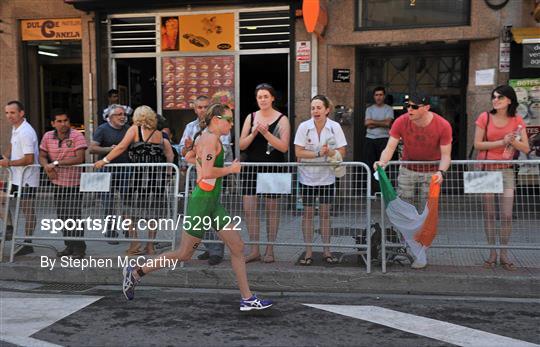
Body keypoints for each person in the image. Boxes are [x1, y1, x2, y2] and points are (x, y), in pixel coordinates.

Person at [119, 103, 273, 312]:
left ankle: (247, 298)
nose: (231, 124)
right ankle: (136, 272)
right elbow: (206, 173)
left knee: (237, 246)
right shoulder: (209, 139)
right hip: (202, 203)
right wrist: (231, 169)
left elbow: (190, 158)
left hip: (212, 203)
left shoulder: (206, 137)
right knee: (183, 254)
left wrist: (195, 153)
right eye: (229, 119)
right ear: (217, 120)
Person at [374, 92, 452, 269]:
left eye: (414, 107)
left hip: (431, 172)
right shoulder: (401, 121)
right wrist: (382, 162)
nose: (410, 109)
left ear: (426, 108)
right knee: (404, 210)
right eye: (407, 106)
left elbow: (447, 155)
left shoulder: (442, 125)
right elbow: (390, 147)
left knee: (427, 212)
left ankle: (421, 252)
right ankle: (409, 247)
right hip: (408, 170)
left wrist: (441, 172)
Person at [95, 105, 174, 255]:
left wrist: (104, 160)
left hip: (138, 178)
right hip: (156, 179)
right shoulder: (159, 134)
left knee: (128, 212)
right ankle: (150, 246)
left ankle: (135, 244)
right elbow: (170, 154)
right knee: (153, 213)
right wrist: (168, 173)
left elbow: (120, 148)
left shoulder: (135, 130)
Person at [473, 85, 529, 271]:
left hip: (506, 169)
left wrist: (513, 141)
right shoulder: (484, 117)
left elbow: (526, 148)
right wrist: (502, 142)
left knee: (506, 215)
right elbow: (477, 144)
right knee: (489, 214)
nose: (495, 100)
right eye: (494, 97)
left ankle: (504, 253)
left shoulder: (517, 120)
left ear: (509, 100)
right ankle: (492, 253)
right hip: (485, 168)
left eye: (500, 97)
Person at [239, 83, 290, 263]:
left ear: (273, 98)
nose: (263, 100)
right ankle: (254, 249)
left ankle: (270, 249)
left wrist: (266, 134)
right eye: (260, 97)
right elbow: (241, 145)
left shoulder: (282, 119)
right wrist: (254, 133)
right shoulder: (250, 117)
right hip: (252, 167)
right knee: (249, 209)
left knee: (272, 211)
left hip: (273, 167)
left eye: (266, 96)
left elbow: (284, 147)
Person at [294, 95, 347, 265]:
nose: (315, 111)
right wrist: (318, 153)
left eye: (318, 108)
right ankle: (308, 252)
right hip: (307, 178)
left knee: (325, 215)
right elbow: (298, 152)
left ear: (327, 110)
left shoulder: (335, 127)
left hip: (327, 178)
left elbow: (342, 151)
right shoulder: (304, 127)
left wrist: (330, 153)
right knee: (308, 215)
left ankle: (327, 251)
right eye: (312, 108)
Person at [178, 95, 230, 265]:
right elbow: (184, 152)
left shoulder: (219, 126)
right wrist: (188, 149)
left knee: (212, 213)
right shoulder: (190, 127)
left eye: (205, 107)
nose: (202, 110)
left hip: (214, 176)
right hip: (199, 176)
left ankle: (217, 249)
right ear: (195, 109)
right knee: (204, 215)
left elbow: (225, 149)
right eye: (199, 107)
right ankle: (209, 247)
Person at [39, 109, 88, 259]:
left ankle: (80, 247)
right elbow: (41, 155)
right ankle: (69, 245)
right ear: (53, 123)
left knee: (74, 216)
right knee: (62, 216)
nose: (63, 124)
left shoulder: (77, 136)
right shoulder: (48, 136)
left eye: (65, 120)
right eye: (59, 121)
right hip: (57, 183)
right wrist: (47, 168)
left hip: (74, 183)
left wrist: (55, 163)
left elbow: (80, 159)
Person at [0, 101, 39, 255]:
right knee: (1, 199)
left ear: (21, 113)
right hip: (15, 177)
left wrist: (8, 162)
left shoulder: (26, 132)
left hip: (27, 179)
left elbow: (29, 159)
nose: (9, 116)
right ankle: (9, 227)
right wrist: (4, 156)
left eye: (12, 113)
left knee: (27, 211)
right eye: (7, 113)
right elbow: (11, 144)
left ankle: (27, 243)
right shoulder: (16, 128)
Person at [90, 105, 130, 244]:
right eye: (119, 114)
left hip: (126, 169)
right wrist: (110, 149)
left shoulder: (128, 128)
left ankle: (128, 229)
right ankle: (110, 231)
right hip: (106, 170)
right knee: (108, 202)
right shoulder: (102, 129)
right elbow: (92, 148)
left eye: (123, 114)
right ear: (110, 117)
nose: (122, 116)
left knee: (127, 200)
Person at [364, 87, 394, 194]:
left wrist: (373, 123)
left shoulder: (388, 109)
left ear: (384, 96)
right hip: (370, 140)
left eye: (381, 95)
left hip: (384, 140)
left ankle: (384, 191)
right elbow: (367, 124)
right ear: (374, 96)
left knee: (384, 166)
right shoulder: (369, 109)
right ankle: (372, 190)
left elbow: (388, 123)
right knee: (370, 166)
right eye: (376, 95)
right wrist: (381, 123)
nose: (378, 97)